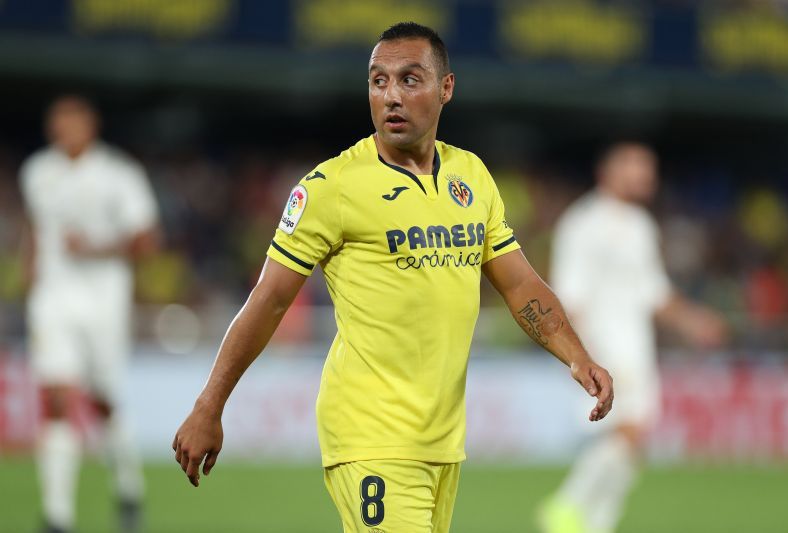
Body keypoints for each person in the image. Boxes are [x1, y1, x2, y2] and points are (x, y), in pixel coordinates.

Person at [173, 22, 613, 532]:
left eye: (409, 80)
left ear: (446, 88)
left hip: (443, 441)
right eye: (378, 81)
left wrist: (577, 358)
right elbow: (268, 300)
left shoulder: (471, 177)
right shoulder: (332, 187)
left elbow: (520, 286)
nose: (391, 97)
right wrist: (209, 406)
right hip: (370, 436)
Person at [538, 142, 727, 533]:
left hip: (636, 346)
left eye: (649, 168)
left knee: (635, 439)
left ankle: (595, 524)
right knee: (627, 431)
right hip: (604, 347)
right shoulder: (585, 223)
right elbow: (569, 296)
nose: (646, 176)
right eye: (637, 167)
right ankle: (566, 505)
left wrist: (694, 321)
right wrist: (582, 355)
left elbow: (654, 293)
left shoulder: (640, 225)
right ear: (608, 171)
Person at [20, 95, 159, 533]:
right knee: (56, 399)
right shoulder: (38, 172)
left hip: (104, 299)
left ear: (90, 126)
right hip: (54, 298)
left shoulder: (119, 176)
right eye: (57, 122)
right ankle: (57, 515)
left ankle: (128, 483)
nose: (64, 129)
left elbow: (146, 241)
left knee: (102, 399)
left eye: (72, 121)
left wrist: (96, 249)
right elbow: (36, 228)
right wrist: (30, 272)